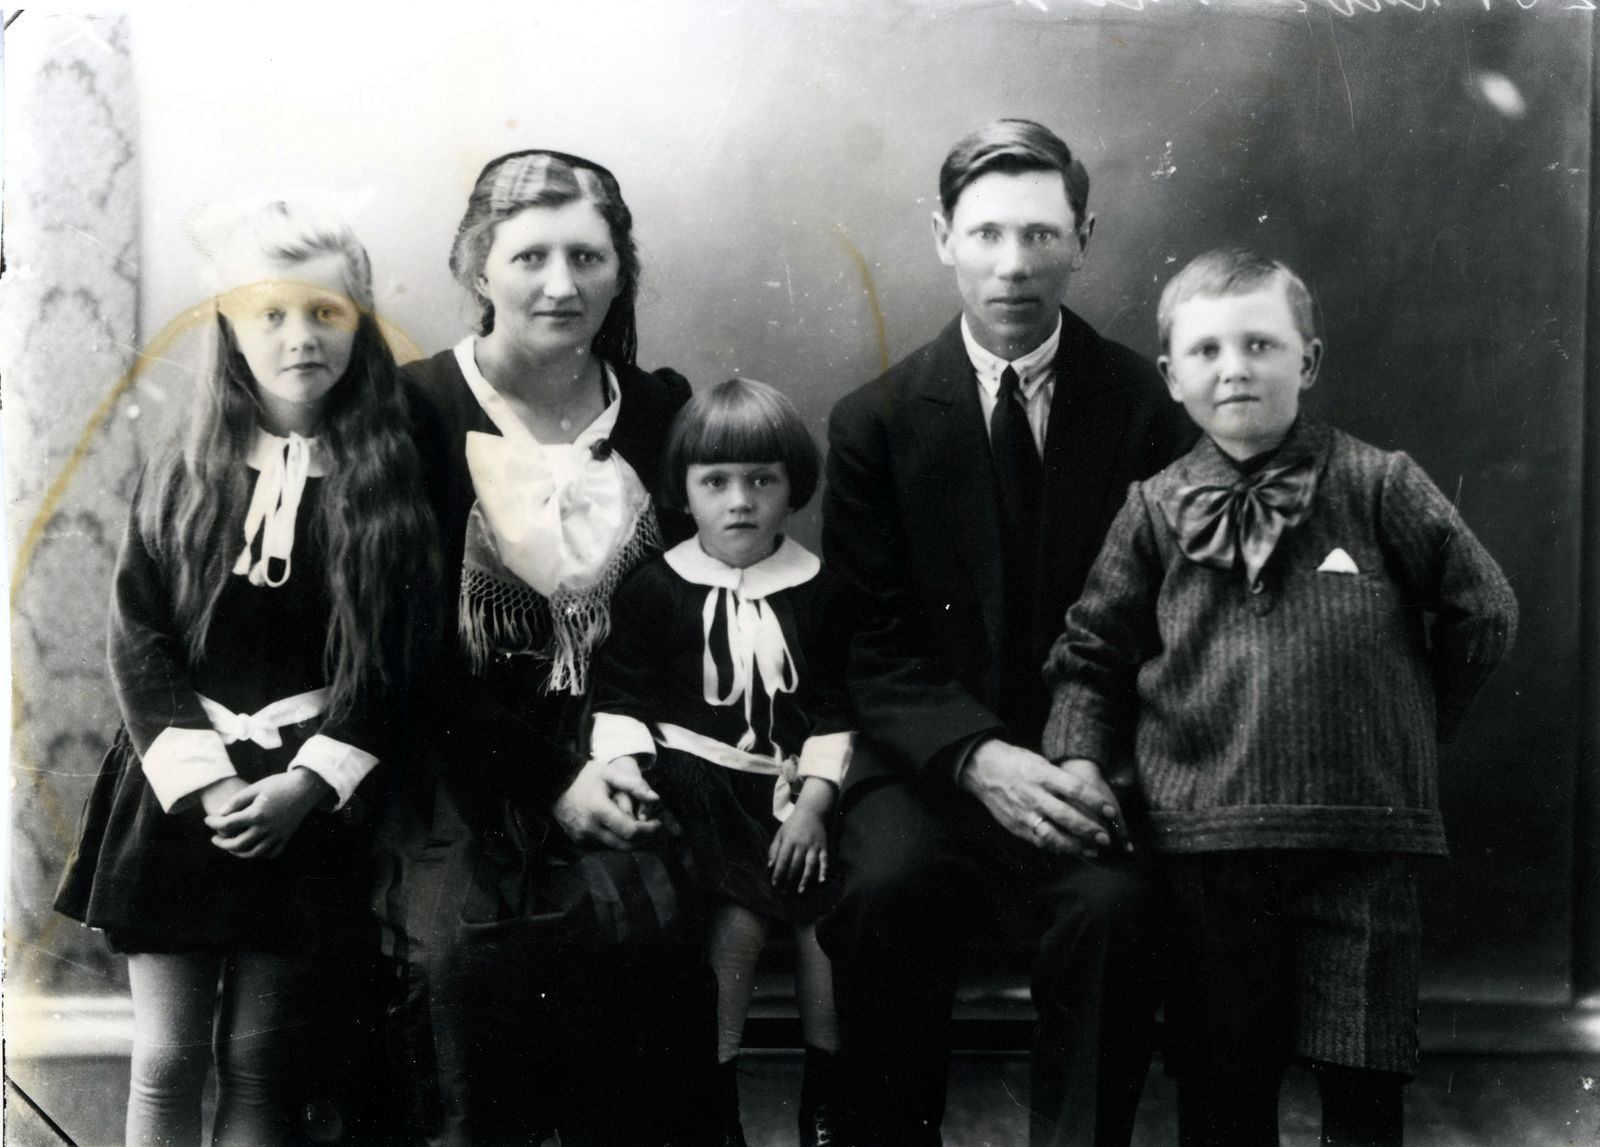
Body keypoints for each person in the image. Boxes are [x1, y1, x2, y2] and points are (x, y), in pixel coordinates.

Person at [1043, 248, 1518, 1147]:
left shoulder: (1378, 483)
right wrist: (1079, 761)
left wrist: (1411, 726)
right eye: (1208, 350)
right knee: (1224, 1079)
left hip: (1362, 838)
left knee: (1364, 1080)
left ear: (1308, 361)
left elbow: (1484, 610)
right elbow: (1091, 650)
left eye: (1260, 344)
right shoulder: (1153, 507)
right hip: (1209, 845)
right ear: (1171, 375)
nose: (1235, 368)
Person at [819, 118, 1194, 1146]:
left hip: (1092, 765)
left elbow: (1171, 626)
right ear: (943, 237)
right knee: (884, 885)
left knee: (1114, 911)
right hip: (931, 767)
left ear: (1084, 239)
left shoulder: (1149, 408)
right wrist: (978, 758)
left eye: (1040, 234)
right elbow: (867, 643)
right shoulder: (875, 421)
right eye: (986, 233)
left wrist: (1086, 760)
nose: (1013, 264)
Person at [54, 198, 440, 1147]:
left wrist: (306, 785)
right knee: (167, 1060)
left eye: (325, 311)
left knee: (263, 1066)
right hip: (181, 793)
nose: (300, 335)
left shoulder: (387, 480)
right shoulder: (185, 468)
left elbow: (394, 658)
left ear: (359, 322)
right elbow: (137, 636)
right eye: (271, 312)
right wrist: (210, 782)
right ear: (228, 324)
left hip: (305, 805)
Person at [377, 149, 719, 1147]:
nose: (561, 285)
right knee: (463, 955)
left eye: (587, 257)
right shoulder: (414, 411)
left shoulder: (659, 411)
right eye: (530, 257)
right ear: (478, 266)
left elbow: (685, 621)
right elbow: (403, 653)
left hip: (622, 743)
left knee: (650, 937)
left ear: (619, 273)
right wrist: (552, 779)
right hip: (454, 757)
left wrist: (618, 752)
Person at [590, 378, 850, 1147]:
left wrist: (814, 803)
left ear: (793, 487)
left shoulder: (820, 590)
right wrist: (627, 770)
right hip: (692, 789)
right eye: (717, 482)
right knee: (734, 922)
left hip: (790, 797)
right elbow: (621, 698)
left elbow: (837, 708)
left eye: (762, 480)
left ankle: (827, 1100)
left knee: (828, 923)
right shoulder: (656, 588)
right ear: (684, 489)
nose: (740, 501)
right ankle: (714, 1105)